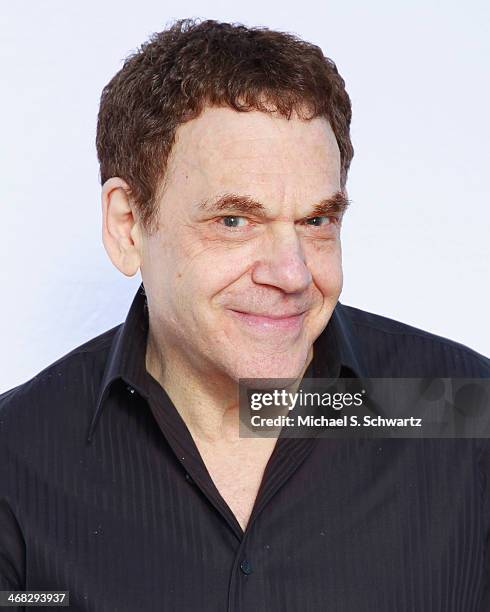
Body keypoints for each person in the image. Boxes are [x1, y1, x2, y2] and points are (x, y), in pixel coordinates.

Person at [1, 18, 489, 612]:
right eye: (235, 221)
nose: (291, 274)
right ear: (128, 226)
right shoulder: (16, 459)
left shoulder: (465, 412)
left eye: (316, 221)